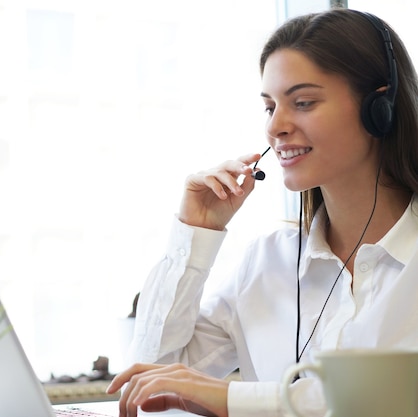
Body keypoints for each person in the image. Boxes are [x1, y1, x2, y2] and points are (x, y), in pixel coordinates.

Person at [106, 7, 418, 417]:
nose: (276, 127)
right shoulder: (268, 262)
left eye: (303, 102)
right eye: (270, 107)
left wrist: (231, 399)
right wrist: (196, 234)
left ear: (381, 109)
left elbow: (386, 403)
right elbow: (152, 379)